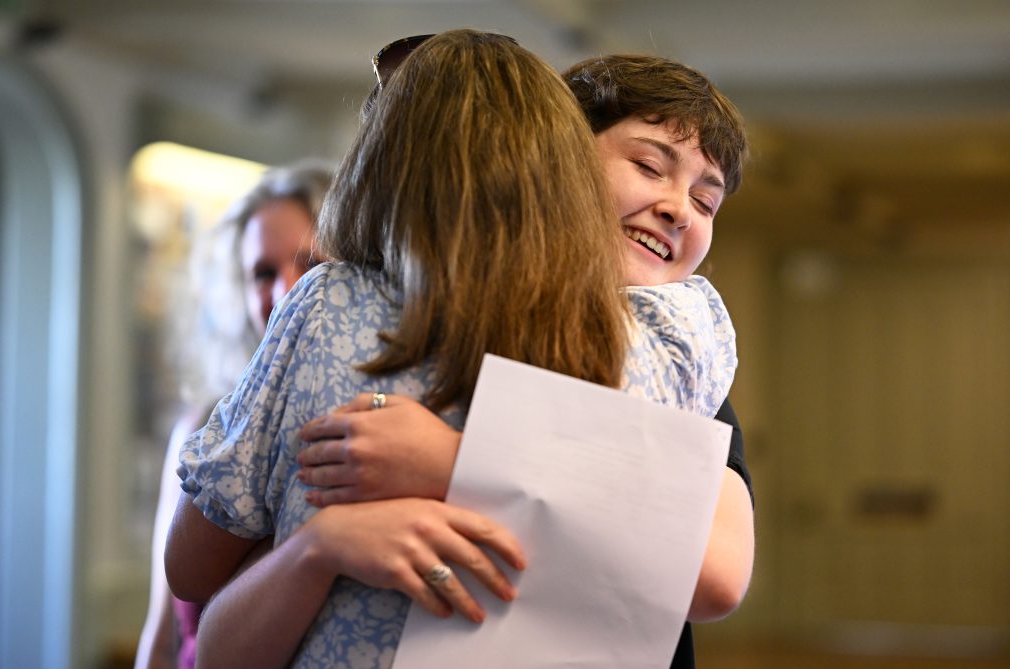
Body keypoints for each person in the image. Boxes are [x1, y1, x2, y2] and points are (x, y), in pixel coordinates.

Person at [164, 30, 738, 669]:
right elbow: (207, 612)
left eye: (706, 200)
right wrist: (319, 544)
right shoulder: (676, 335)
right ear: (564, 163)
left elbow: (717, 575)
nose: (677, 209)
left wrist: (457, 463)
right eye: (648, 166)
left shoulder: (672, 338)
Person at [133, 161, 332, 669]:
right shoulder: (198, 431)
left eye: (307, 263)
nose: (286, 292)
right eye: (263, 273)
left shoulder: (353, 435)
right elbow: (161, 636)